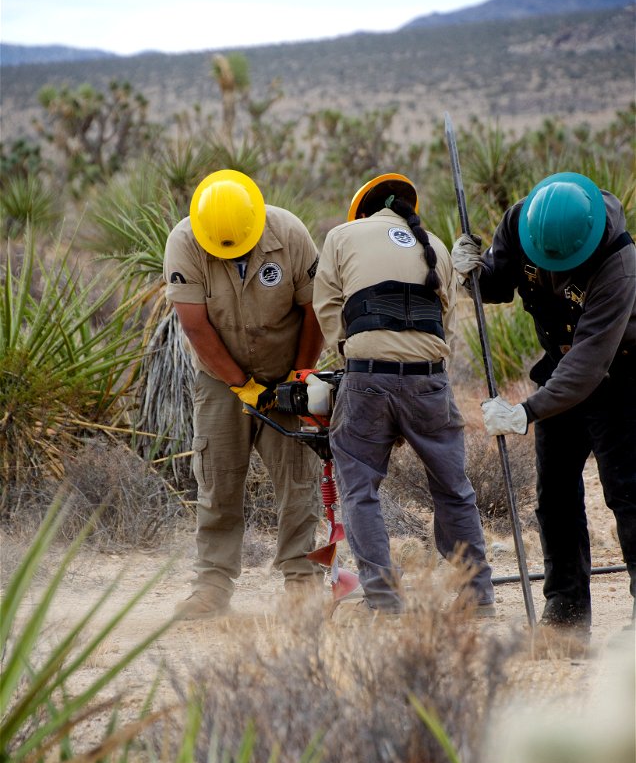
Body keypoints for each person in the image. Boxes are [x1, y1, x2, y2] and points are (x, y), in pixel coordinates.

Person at [451, 171, 636, 633]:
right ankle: (566, 613)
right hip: (560, 364)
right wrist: (472, 272)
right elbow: (497, 284)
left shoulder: (619, 261)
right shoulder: (521, 222)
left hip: (623, 374)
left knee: (627, 495)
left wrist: (525, 412)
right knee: (553, 495)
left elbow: (590, 363)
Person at [313, 173, 495, 618]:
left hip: (367, 378)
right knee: (454, 490)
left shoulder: (342, 236)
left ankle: (384, 600)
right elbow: (447, 329)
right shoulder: (434, 245)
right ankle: (478, 596)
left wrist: (352, 359)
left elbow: (328, 309)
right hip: (429, 380)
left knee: (359, 489)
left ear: (364, 211)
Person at [163, 169, 325, 620]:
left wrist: (299, 376)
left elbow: (314, 311)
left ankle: (301, 581)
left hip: (286, 373)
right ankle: (212, 585)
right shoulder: (185, 242)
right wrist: (242, 385)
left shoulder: (290, 233)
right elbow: (195, 326)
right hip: (220, 380)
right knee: (217, 478)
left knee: (298, 480)